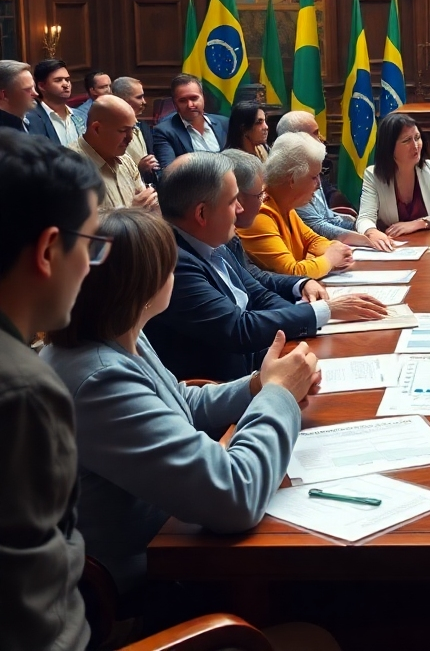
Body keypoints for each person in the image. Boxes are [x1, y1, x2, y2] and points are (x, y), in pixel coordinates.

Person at [41, 208, 318, 601]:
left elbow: (179, 400)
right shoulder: (98, 377)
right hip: (148, 588)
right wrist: (279, 395)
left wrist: (259, 384)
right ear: (147, 283)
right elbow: (235, 496)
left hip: (176, 544)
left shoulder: (117, 331)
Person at [0, 130, 103, 651]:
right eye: (91, 244)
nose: (90, 265)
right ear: (47, 249)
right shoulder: (23, 391)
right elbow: (37, 626)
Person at [146, 152, 380, 382]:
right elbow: (238, 328)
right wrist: (324, 311)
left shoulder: (212, 241)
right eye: (232, 201)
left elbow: (258, 294)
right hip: (227, 396)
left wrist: (309, 320)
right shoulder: (174, 264)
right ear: (202, 213)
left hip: (260, 366)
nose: (239, 210)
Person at [238, 133, 356, 277]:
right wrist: (330, 259)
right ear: (292, 179)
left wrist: (335, 249)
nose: (319, 185)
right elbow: (292, 272)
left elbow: (313, 240)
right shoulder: (258, 214)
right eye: (314, 177)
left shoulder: (285, 205)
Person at [356, 112, 430, 249]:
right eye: (407, 140)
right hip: (395, 247)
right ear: (389, 147)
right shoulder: (373, 175)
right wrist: (371, 232)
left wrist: (418, 224)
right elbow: (364, 218)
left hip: (429, 245)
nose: (416, 146)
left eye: (417, 138)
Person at [275, 110, 362, 241]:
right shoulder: (289, 174)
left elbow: (328, 218)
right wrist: (364, 237)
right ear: (296, 138)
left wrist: (362, 227)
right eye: (315, 133)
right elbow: (316, 227)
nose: (321, 138)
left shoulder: (310, 164)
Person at [68, 95, 159, 212]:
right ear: (96, 128)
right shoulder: (68, 168)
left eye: (132, 129)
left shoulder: (125, 159)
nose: (130, 138)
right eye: (122, 131)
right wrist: (132, 213)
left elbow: (147, 207)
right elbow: (77, 226)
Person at [152, 73, 229, 169]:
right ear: (175, 104)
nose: (190, 105)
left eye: (194, 98)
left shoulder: (225, 123)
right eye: (183, 101)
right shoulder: (164, 132)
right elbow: (168, 173)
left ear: (203, 98)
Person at [110, 76, 161, 182]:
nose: (144, 102)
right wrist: (139, 169)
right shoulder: (110, 133)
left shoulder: (143, 127)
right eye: (139, 97)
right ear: (123, 100)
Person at [26, 58, 86, 146]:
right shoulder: (31, 119)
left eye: (67, 80)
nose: (66, 84)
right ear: (42, 86)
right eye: (58, 80)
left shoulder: (80, 115)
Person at [0, 58, 35, 130]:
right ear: (5, 95)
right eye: (28, 89)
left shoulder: (35, 119)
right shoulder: (4, 135)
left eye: (34, 87)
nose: (36, 93)